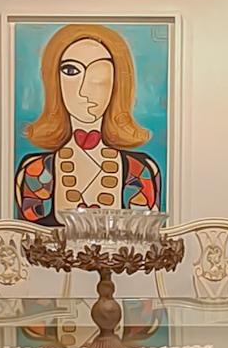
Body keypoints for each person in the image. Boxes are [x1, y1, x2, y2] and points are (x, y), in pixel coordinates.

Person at [15, 22, 161, 222]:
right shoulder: (35, 171)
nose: (85, 90)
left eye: (100, 72)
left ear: (118, 82)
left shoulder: (140, 170)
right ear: (53, 80)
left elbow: (147, 236)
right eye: (71, 71)